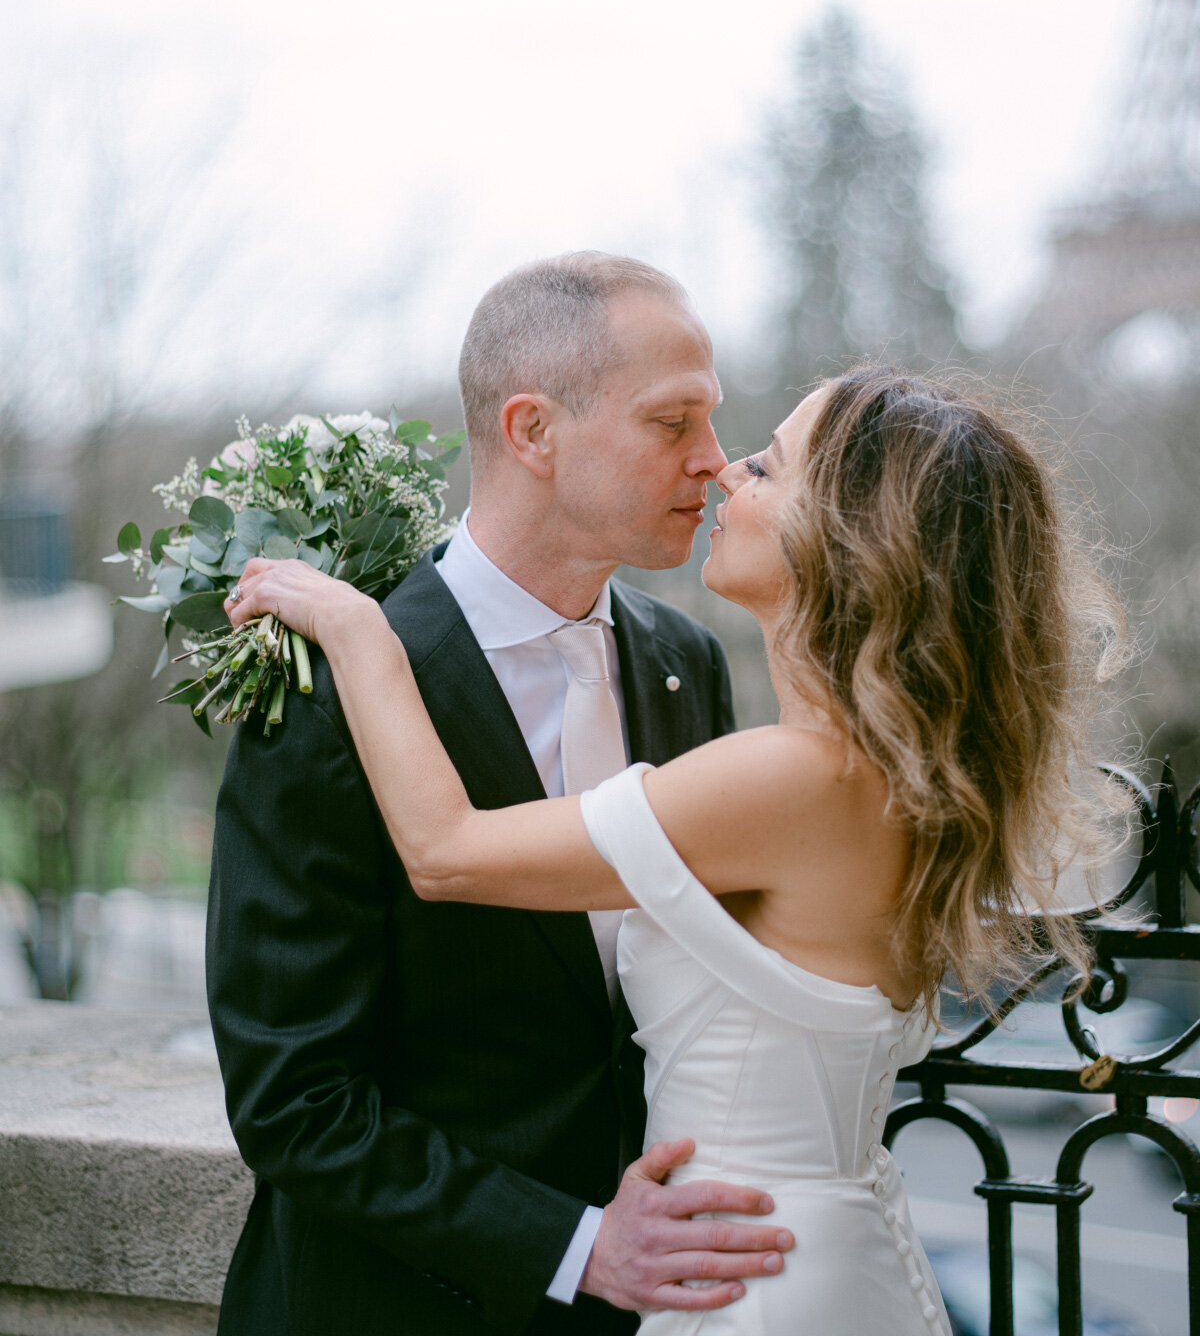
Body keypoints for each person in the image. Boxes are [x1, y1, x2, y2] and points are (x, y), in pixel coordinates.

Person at [227, 363, 1127, 1336]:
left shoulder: (795, 779)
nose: (727, 469)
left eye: (771, 468)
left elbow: (447, 851)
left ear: (849, 543)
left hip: (753, 1284)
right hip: (802, 1256)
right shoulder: (890, 775)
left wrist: (358, 629)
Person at [207, 252, 797, 1336]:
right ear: (533, 432)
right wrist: (575, 1246)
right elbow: (294, 1099)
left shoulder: (686, 663)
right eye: (674, 424)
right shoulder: (328, 679)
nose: (716, 464)